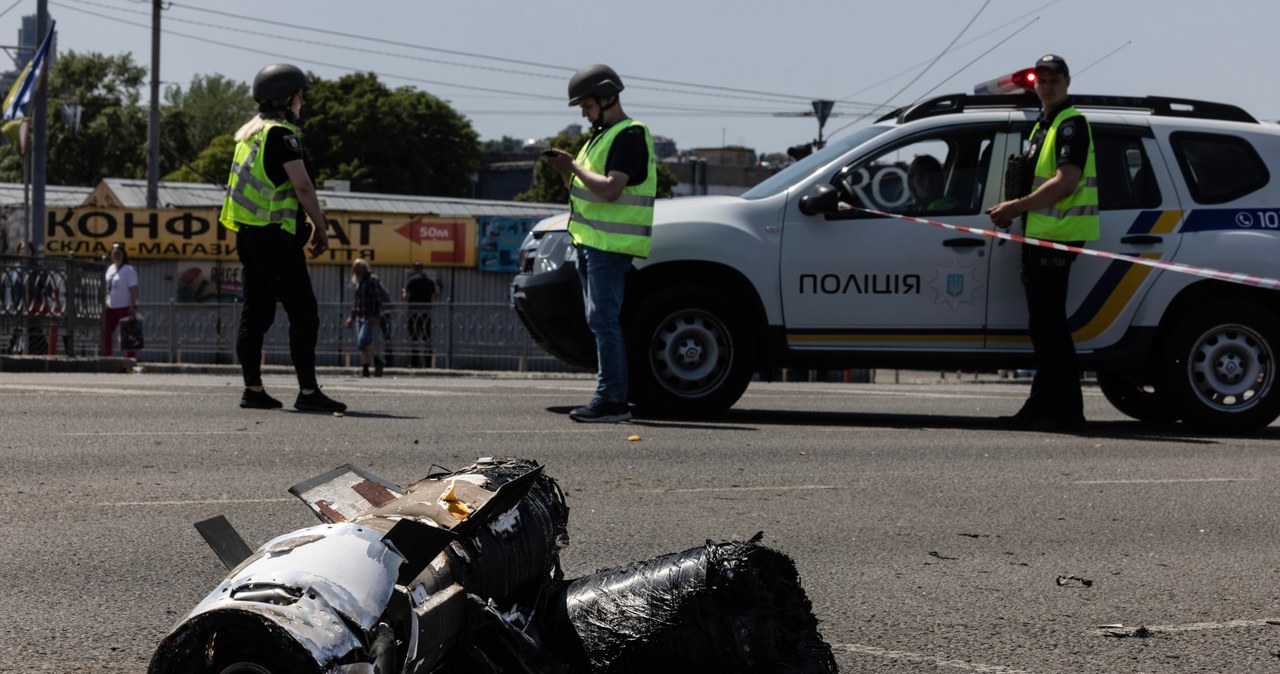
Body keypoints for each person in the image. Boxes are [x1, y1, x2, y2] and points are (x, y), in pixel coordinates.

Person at [221, 63, 346, 413]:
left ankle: (253, 390)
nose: (302, 102)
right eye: (299, 96)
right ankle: (308, 393)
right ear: (286, 98)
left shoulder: (247, 135)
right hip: (275, 238)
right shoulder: (282, 135)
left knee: (256, 313)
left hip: (248, 236)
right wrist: (321, 227)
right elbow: (302, 184)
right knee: (304, 312)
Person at [987, 54, 1098, 432]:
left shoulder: (1070, 125)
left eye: (1054, 79)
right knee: (1046, 327)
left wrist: (1015, 206)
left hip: (1055, 240)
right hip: (1040, 237)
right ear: (1034, 84)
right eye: (1041, 79)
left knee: (1049, 328)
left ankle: (1050, 410)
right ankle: (1063, 411)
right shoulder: (1044, 126)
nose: (1047, 85)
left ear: (1068, 81)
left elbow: (1066, 182)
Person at [543, 64, 656, 423]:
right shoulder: (600, 137)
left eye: (587, 104)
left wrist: (573, 167)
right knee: (601, 321)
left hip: (609, 245)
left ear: (608, 97)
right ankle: (612, 397)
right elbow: (586, 193)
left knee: (604, 320)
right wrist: (567, 172)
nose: (582, 111)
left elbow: (610, 189)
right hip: (591, 243)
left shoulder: (629, 135)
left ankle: (611, 401)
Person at [344, 258, 387, 377]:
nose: (355, 270)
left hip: (369, 316)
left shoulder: (372, 279)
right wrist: (351, 318)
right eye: (354, 268)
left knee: (362, 341)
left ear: (363, 267)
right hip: (360, 316)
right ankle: (366, 369)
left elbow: (376, 299)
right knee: (362, 345)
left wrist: (374, 316)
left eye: (357, 267)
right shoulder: (359, 280)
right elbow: (356, 302)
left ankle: (378, 360)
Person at [103, 243, 139, 358]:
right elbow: (107, 287)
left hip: (125, 307)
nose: (117, 256)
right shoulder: (110, 269)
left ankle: (129, 359)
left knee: (128, 334)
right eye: (114, 254)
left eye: (119, 253)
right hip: (111, 307)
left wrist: (132, 306)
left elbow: (133, 288)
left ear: (124, 255)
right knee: (106, 332)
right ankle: (107, 357)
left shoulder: (129, 270)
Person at [402, 261, 437, 368]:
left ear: (414, 269)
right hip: (426, 313)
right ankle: (428, 363)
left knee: (414, 338)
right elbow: (434, 298)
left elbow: (406, 297)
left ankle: (415, 363)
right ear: (422, 269)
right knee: (427, 337)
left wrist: (403, 291)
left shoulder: (411, 281)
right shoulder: (430, 282)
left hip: (413, 313)